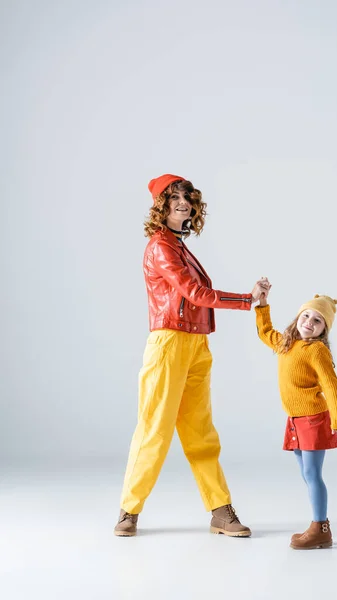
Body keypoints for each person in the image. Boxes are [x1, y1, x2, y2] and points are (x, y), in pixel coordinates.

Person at [114, 174, 268, 538]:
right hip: (169, 344)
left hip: (197, 344)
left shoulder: (179, 246)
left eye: (188, 197)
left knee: (201, 433)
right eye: (175, 197)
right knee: (155, 429)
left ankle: (220, 511)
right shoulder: (160, 246)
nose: (183, 202)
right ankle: (128, 511)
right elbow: (195, 293)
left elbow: (197, 295)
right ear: (161, 205)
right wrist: (248, 301)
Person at [255, 278, 337, 549]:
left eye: (317, 321)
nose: (309, 321)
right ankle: (317, 521)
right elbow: (265, 333)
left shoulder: (316, 350)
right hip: (295, 418)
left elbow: (332, 386)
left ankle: (321, 528)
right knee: (306, 472)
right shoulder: (287, 342)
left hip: (314, 419)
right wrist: (262, 305)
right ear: (298, 317)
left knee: (312, 473)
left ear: (323, 330)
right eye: (306, 315)